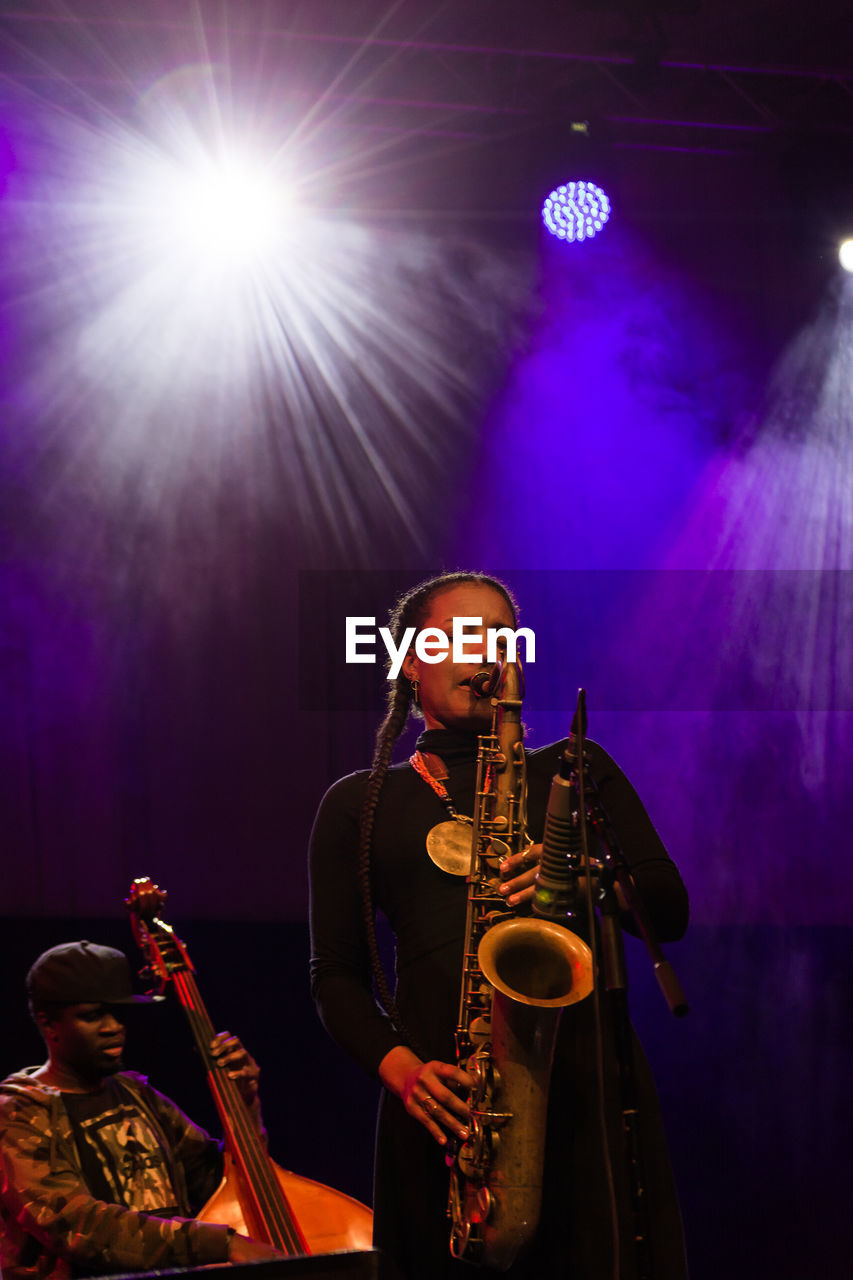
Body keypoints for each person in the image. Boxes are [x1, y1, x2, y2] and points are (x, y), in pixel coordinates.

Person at [309, 571, 690, 1280]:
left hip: (582, 1088)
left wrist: (577, 876)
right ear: (409, 662)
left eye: (496, 637)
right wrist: (403, 1071)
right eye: (457, 636)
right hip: (447, 1101)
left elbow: (668, 908)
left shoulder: (576, 768)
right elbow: (334, 976)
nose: (481, 653)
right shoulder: (356, 803)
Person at [0, 939, 282, 1279]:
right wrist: (220, 1244)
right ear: (49, 1024)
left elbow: (221, 1182)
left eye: (119, 1013)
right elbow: (76, 1226)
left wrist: (245, 1102)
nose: (113, 1027)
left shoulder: (137, 1094)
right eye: (92, 1016)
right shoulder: (18, 1111)